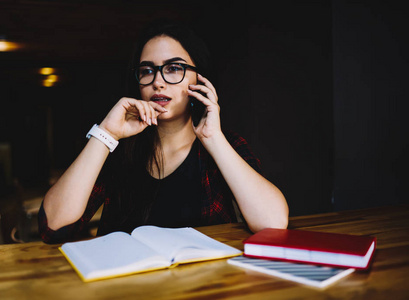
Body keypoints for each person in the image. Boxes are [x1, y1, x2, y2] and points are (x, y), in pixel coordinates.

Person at [39, 21, 288, 244]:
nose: (158, 81)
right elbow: (54, 227)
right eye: (147, 71)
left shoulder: (226, 145)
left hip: (204, 288)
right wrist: (106, 134)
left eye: (173, 68)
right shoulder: (118, 150)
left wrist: (214, 139)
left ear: (199, 79)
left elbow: (273, 225)